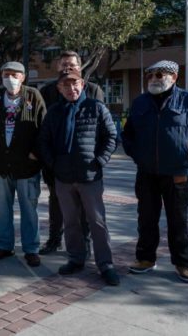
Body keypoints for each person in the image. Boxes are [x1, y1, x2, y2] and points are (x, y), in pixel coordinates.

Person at [122, 60, 188, 283]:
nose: (153, 79)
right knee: (146, 219)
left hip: (176, 173)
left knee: (178, 221)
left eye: (160, 74)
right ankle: (145, 259)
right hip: (146, 173)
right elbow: (128, 134)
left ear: (174, 77)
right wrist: (137, 155)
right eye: (150, 75)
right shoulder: (140, 102)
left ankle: (183, 264)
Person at [39, 69, 120, 286]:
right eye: (66, 85)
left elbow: (111, 136)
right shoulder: (54, 112)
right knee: (71, 221)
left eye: (74, 84)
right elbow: (43, 142)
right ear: (59, 88)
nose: (71, 88)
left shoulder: (96, 108)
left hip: (90, 176)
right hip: (64, 178)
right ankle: (76, 258)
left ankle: (105, 264)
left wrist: (100, 160)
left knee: (97, 221)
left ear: (82, 84)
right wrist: (54, 164)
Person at [38, 50, 106, 255]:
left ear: (80, 68)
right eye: (63, 65)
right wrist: (49, 161)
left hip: (86, 164)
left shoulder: (93, 90)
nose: (67, 68)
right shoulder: (48, 91)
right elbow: (41, 128)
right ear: (57, 68)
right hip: (57, 163)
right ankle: (54, 239)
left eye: (72, 65)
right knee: (56, 202)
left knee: (87, 208)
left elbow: (103, 130)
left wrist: (98, 160)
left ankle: (84, 242)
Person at [0, 61, 46, 267]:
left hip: (26, 167)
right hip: (0, 166)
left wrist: (35, 154)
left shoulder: (33, 96)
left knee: (28, 208)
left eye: (15, 75)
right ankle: (4, 245)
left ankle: (31, 248)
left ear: (23, 77)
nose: (11, 78)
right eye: (7, 74)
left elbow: (44, 128)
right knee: (1, 208)